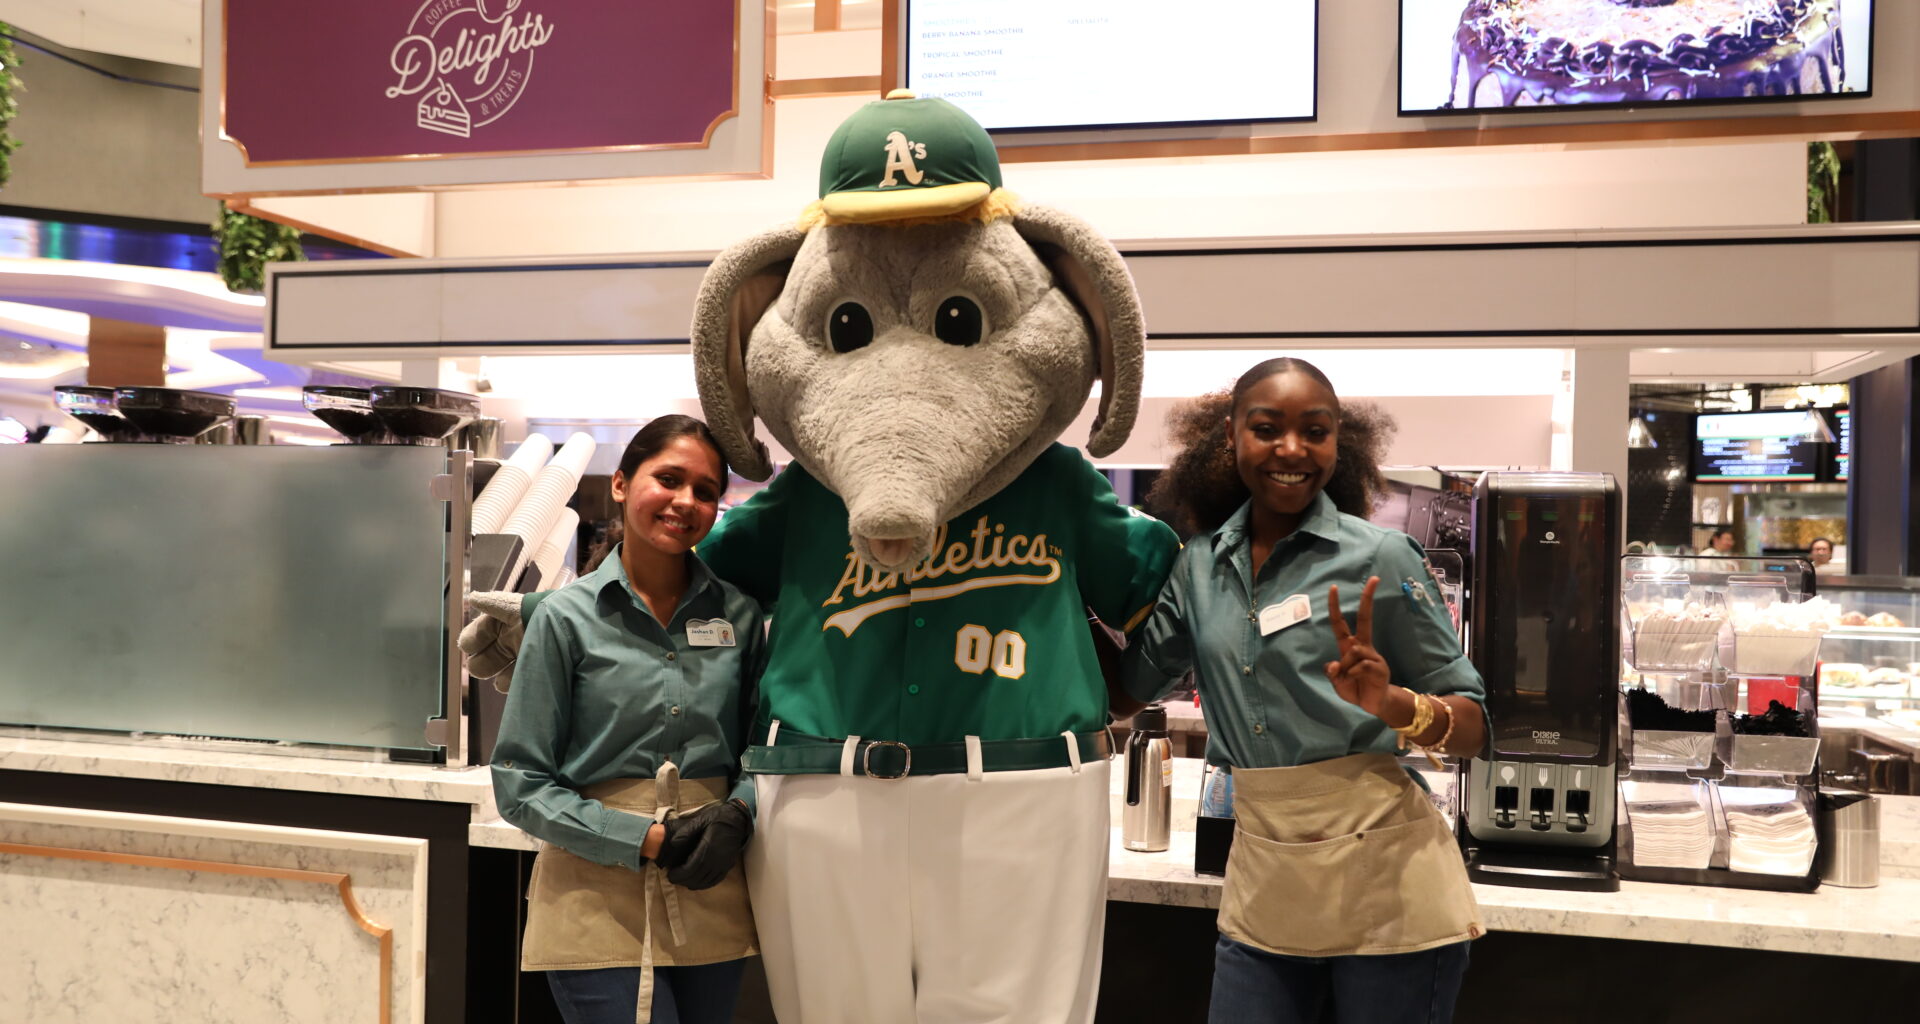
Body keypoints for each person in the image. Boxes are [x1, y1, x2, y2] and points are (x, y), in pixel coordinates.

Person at [1123, 357, 1489, 1024]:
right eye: (1267, 429)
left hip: (1392, 886)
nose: (1291, 450)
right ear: (1229, 437)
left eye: (1314, 431)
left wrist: (1393, 705)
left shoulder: (1380, 557)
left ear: (1338, 443)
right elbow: (1130, 686)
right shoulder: (1197, 567)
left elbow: (1474, 724)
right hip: (1265, 881)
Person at [492, 416, 764, 1024]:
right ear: (619, 484)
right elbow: (519, 781)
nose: (685, 502)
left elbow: (760, 750)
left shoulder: (740, 619)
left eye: (704, 491)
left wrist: (739, 813)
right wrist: (645, 839)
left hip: (710, 883)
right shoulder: (564, 620)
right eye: (668, 479)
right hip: (593, 895)